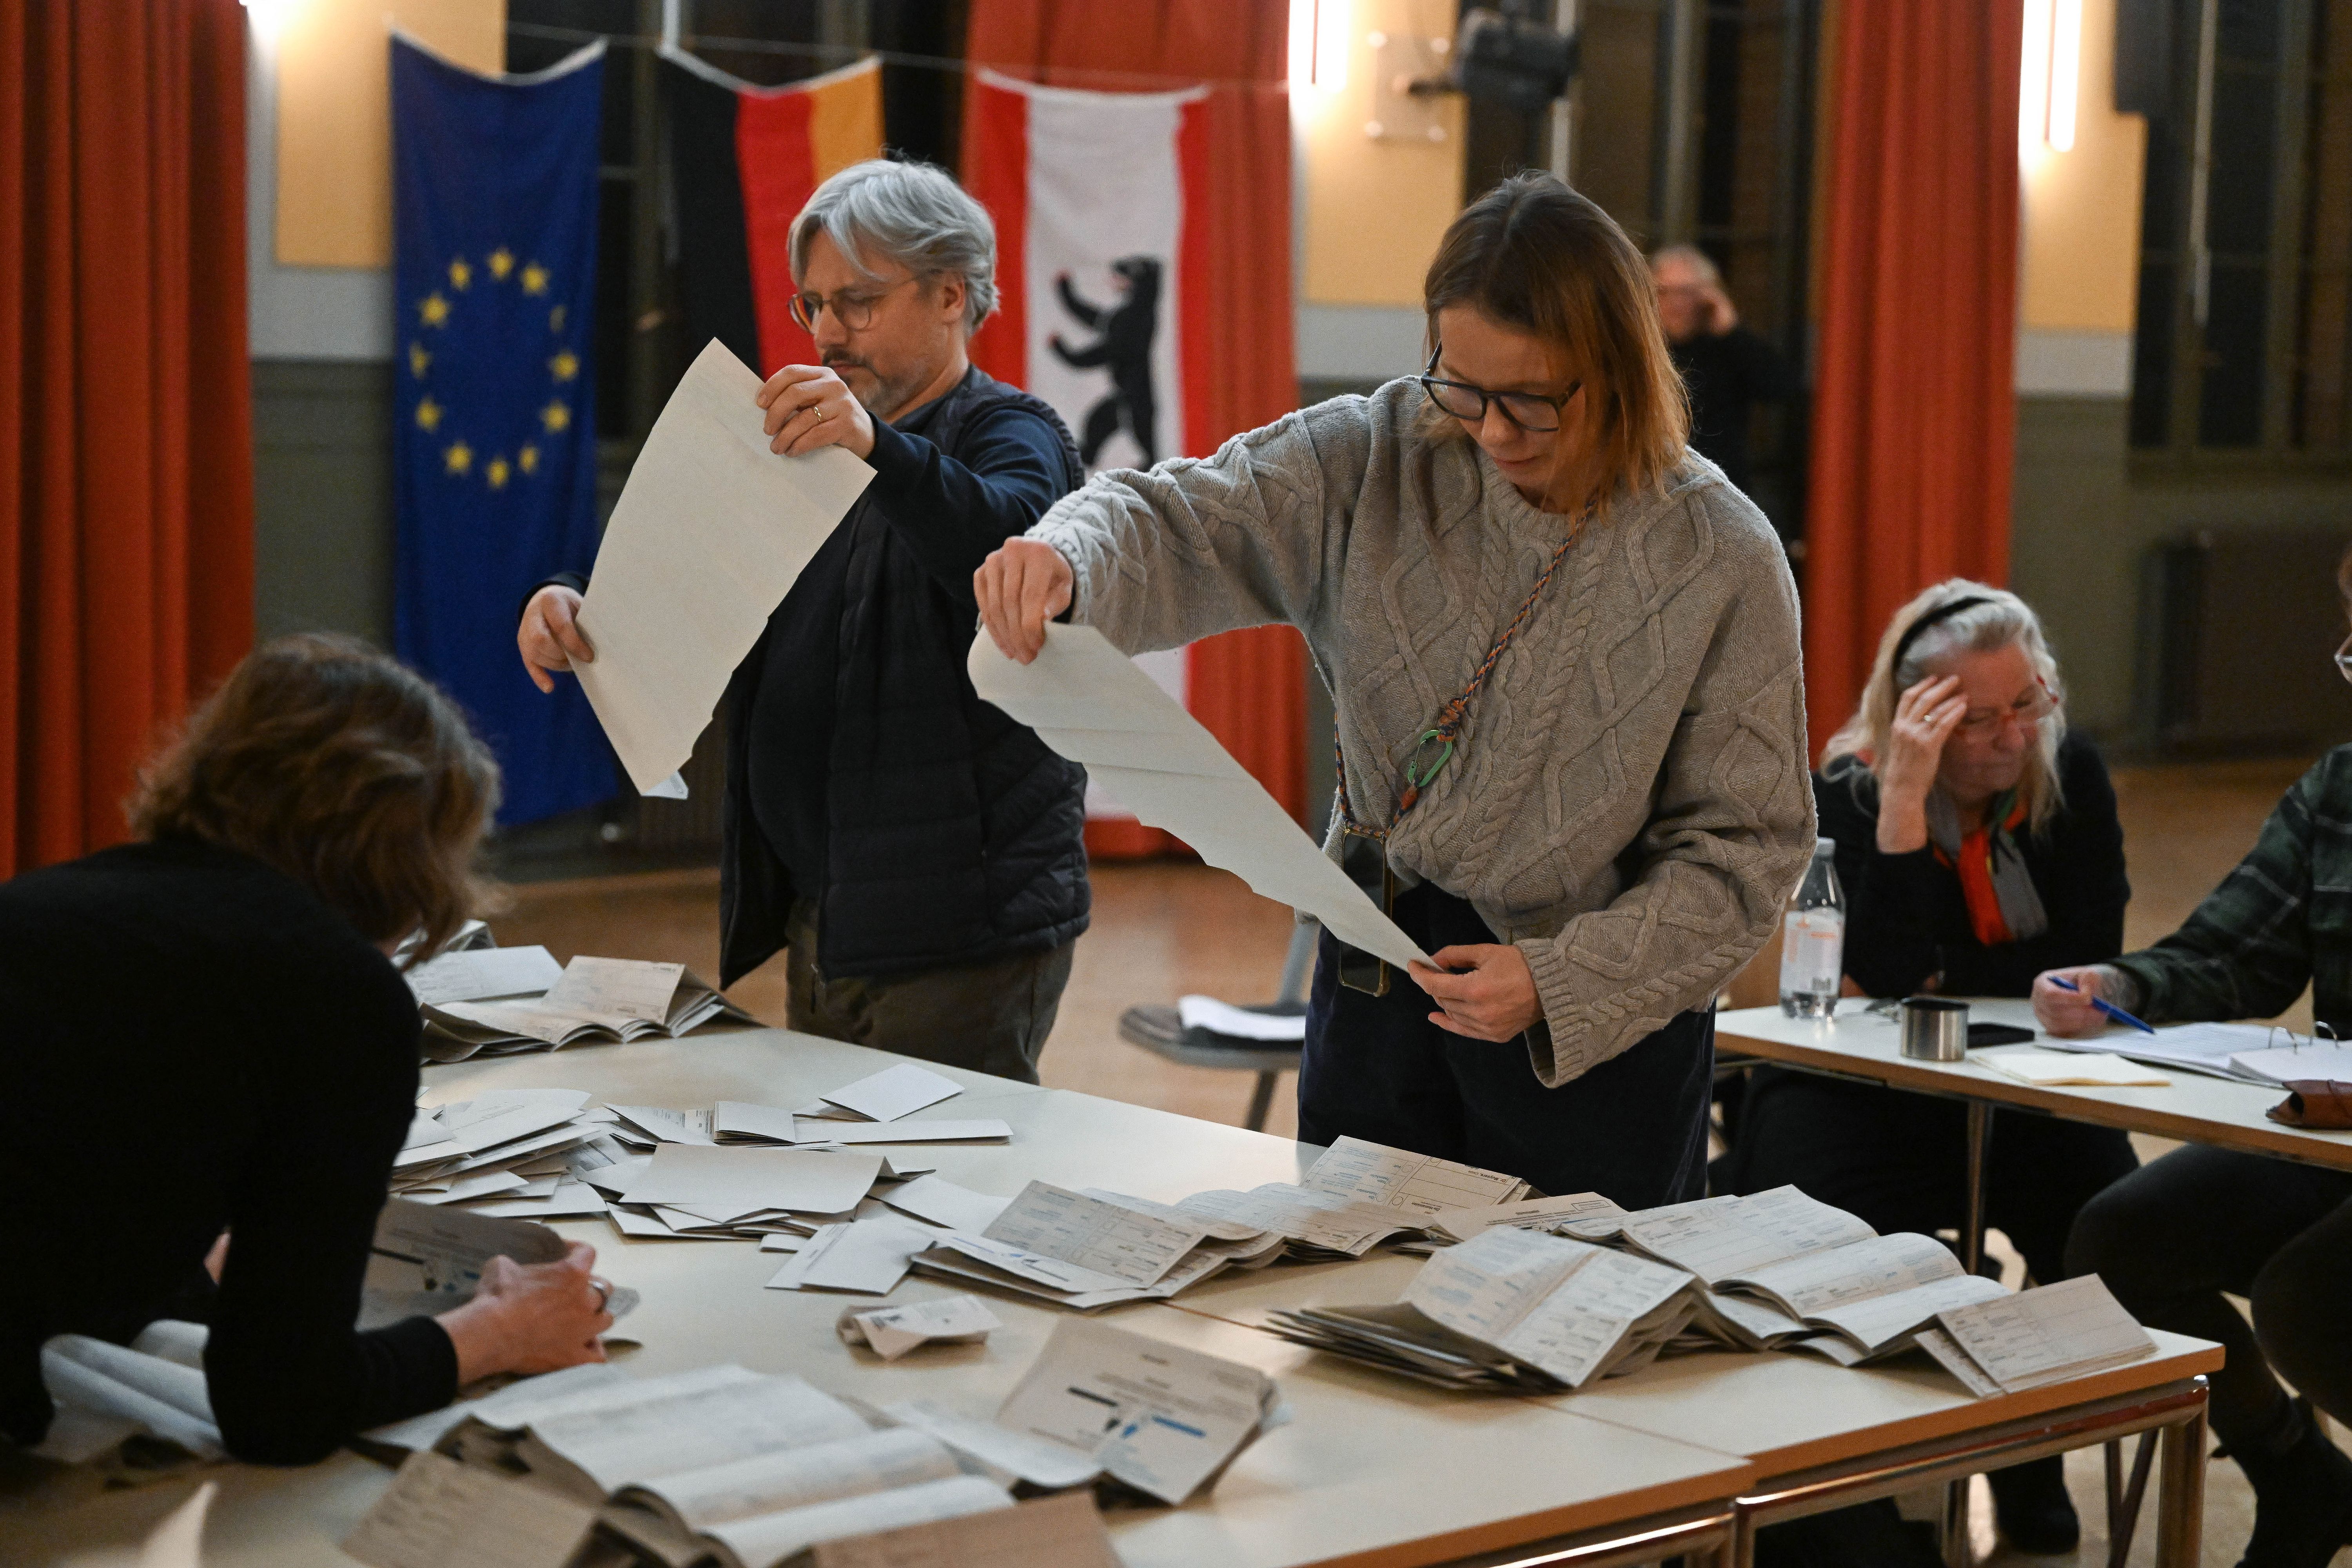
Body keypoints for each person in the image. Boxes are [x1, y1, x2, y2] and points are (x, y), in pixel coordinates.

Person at [973, 172, 1815, 1207]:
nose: (1493, 431)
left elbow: (1745, 856)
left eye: (1532, 400)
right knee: (1347, 1316)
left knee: (1568, 1349)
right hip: (1376, 985)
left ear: (1619, 369)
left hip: (1592, 1042)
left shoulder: (1718, 550)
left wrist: (1560, 981)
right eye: (1461, 386)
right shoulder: (1373, 452)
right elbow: (1183, 516)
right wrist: (1067, 557)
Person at [518, 160, 1089, 1085]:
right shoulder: (822, 439)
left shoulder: (1012, 432)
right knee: (832, 1190)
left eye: (857, 303)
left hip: (959, 926)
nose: (827, 333)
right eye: (812, 305)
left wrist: (881, 450)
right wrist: (575, 597)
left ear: (952, 295)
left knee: (939, 1193)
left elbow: (1007, 547)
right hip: (830, 910)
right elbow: (683, 548)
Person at [0, 636, 611, 1465]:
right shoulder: (338, 995)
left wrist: (203, 1261)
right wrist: (497, 1330)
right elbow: (282, 1409)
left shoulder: (40, 905)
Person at [1715, 581, 2138, 1555]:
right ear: (1914, 716)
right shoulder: (1850, 789)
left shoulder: (2069, 774)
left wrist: (1959, 971)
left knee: (2112, 1223)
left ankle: (2029, 1442)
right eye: (1975, 718)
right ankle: (1853, 1484)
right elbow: (1887, 977)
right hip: (1851, 1087)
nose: (2008, 738)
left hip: (2023, 1083)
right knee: (1813, 1220)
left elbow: (2081, 954)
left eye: (2025, 705)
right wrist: (1905, 802)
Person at [2042, 558, 2352, 1568]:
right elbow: (2236, 949)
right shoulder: (2340, 790)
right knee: (2120, 1239)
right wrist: (2119, 988)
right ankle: (2300, 1473)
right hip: (2335, 1134)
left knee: (2312, 1300)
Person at [1650, 245, 1792, 497]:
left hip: (1722, 487)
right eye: (1665, 293)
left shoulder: (1729, 347)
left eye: (1686, 293)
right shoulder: (1645, 350)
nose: (1675, 304)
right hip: (1655, 485)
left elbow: (1782, 388)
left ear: (1708, 297)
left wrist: (1731, 329)